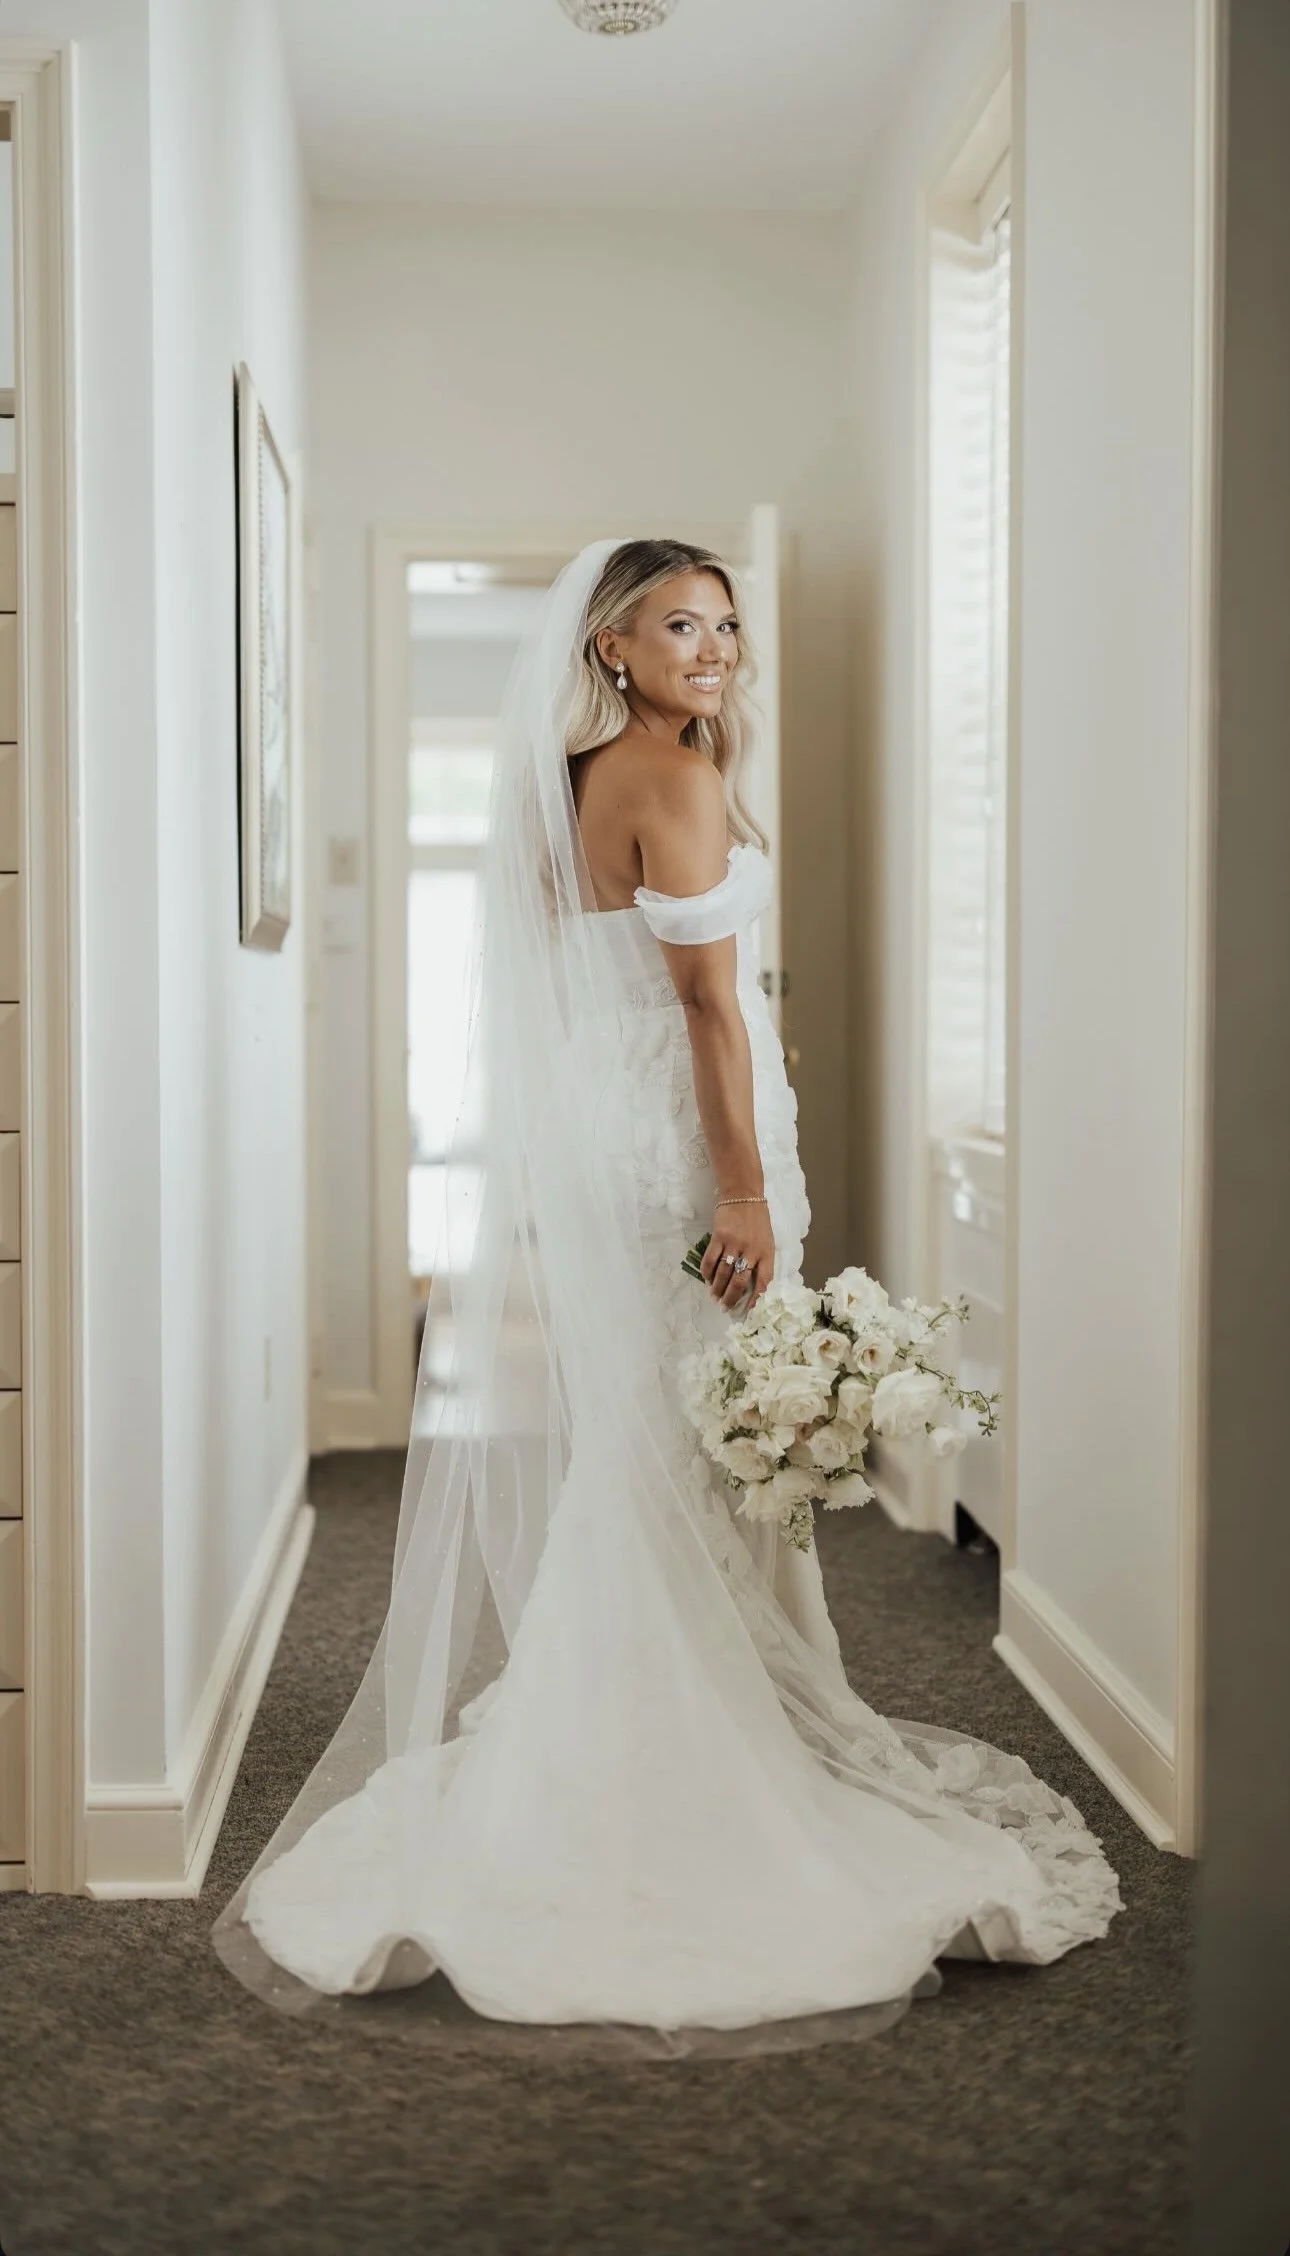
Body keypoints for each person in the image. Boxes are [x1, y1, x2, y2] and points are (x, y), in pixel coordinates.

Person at [213, 537, 1122, 2050]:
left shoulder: (570, 785)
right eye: (677, 626)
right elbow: (705, 1003)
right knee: (693, 1455)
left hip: (617, 1130)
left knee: (658, 1448)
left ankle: (669, 1732)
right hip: (687, 1155)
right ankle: (678, 1769)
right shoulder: (670, 778)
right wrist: (748, 1187)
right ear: (611, 650)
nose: (713, 649)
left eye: (725, 624)